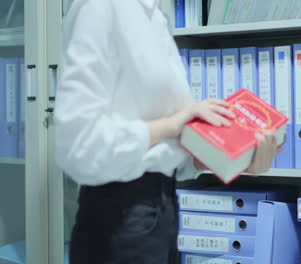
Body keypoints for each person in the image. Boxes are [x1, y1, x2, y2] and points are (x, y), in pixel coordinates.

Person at [54, 0, 281, 263]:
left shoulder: (156, 16)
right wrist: (172, 125)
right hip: (120, 219)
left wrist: (236, 160)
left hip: (162, 211)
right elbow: (77, 145)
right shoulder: (102, 7)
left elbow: (163, 155)